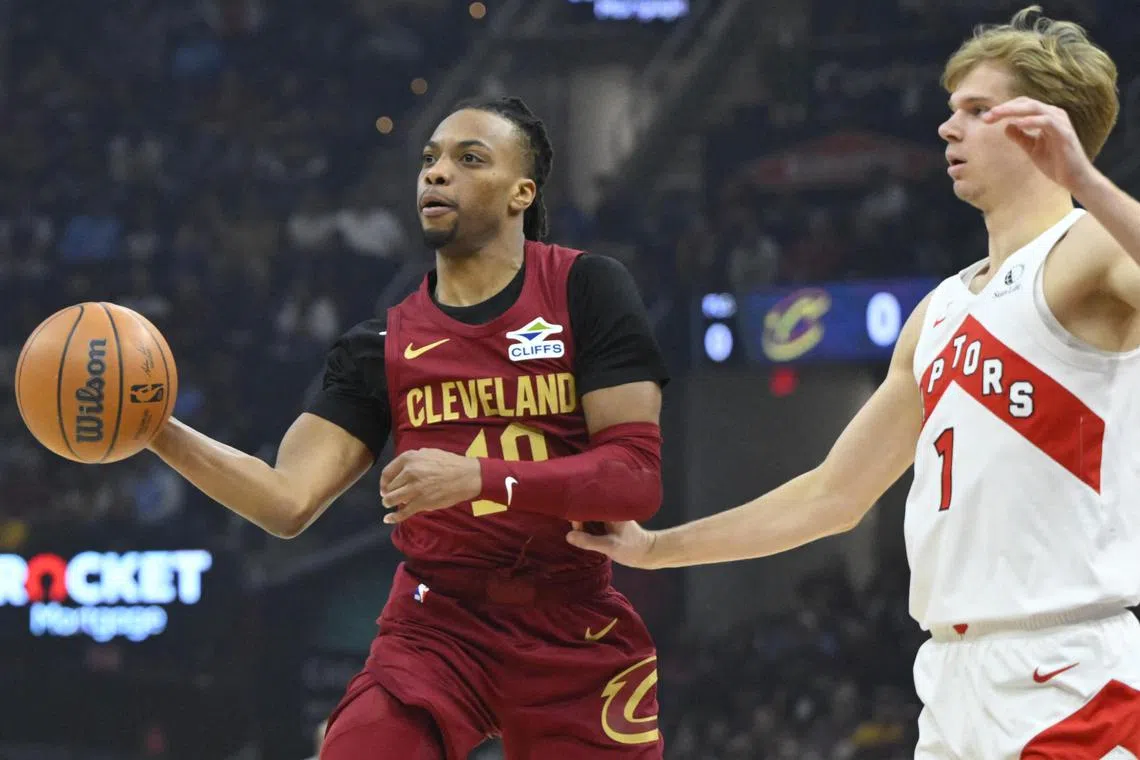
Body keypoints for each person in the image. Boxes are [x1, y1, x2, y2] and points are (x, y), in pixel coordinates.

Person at [568, 7, 1140, 757]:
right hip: (952, 678)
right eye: (949, 110)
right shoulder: (938, 311)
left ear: (1042, 127)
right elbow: (830, 496)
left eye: (975, 110)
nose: (947, 128)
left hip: (1069, 666)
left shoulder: (1091, 246)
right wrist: (656, 550)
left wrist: (1086, 180)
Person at [147, 96, 669, 759]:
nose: (437, 172)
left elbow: (634, 479)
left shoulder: (588, 290)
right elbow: (285, 503)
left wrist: (479, 476)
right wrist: (158, 430)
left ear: (521, 193)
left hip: (572, 623)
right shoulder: (379, 346)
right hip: (438, 622)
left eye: (468, 158)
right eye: (430, 159)